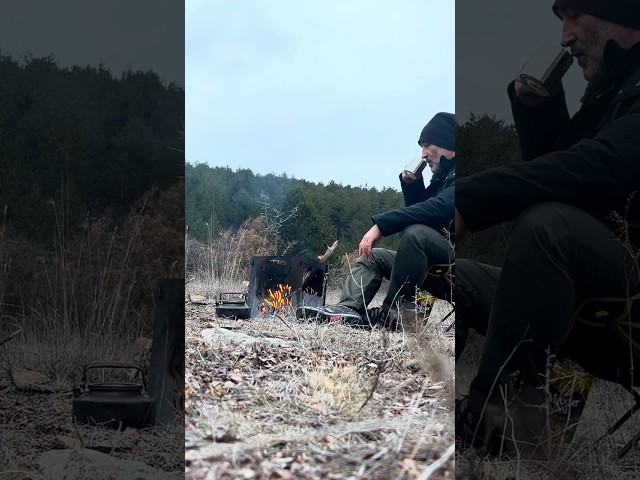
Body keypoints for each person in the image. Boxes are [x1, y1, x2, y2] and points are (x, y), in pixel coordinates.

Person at [455, 0, 640, 454]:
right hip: (591, 300)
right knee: (456, 276)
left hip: (627, 316)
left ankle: (498, 423)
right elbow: (559, 178)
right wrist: (541, 109)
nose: (565, 38)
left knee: (548, 227)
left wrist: (470, 200)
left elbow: (602, 167)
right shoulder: (611, 92)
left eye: (575, 17)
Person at [305, 112, 456, 330]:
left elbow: (439, 209)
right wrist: (413, 185)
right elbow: (420, 211)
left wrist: (381, 226)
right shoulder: (441, 178)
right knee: (373, 257)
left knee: (416, 233)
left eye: (427, 145)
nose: (423, 154)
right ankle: (349, 311)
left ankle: (393, 317)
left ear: (446, 144)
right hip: (431, 267)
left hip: (456, 269)